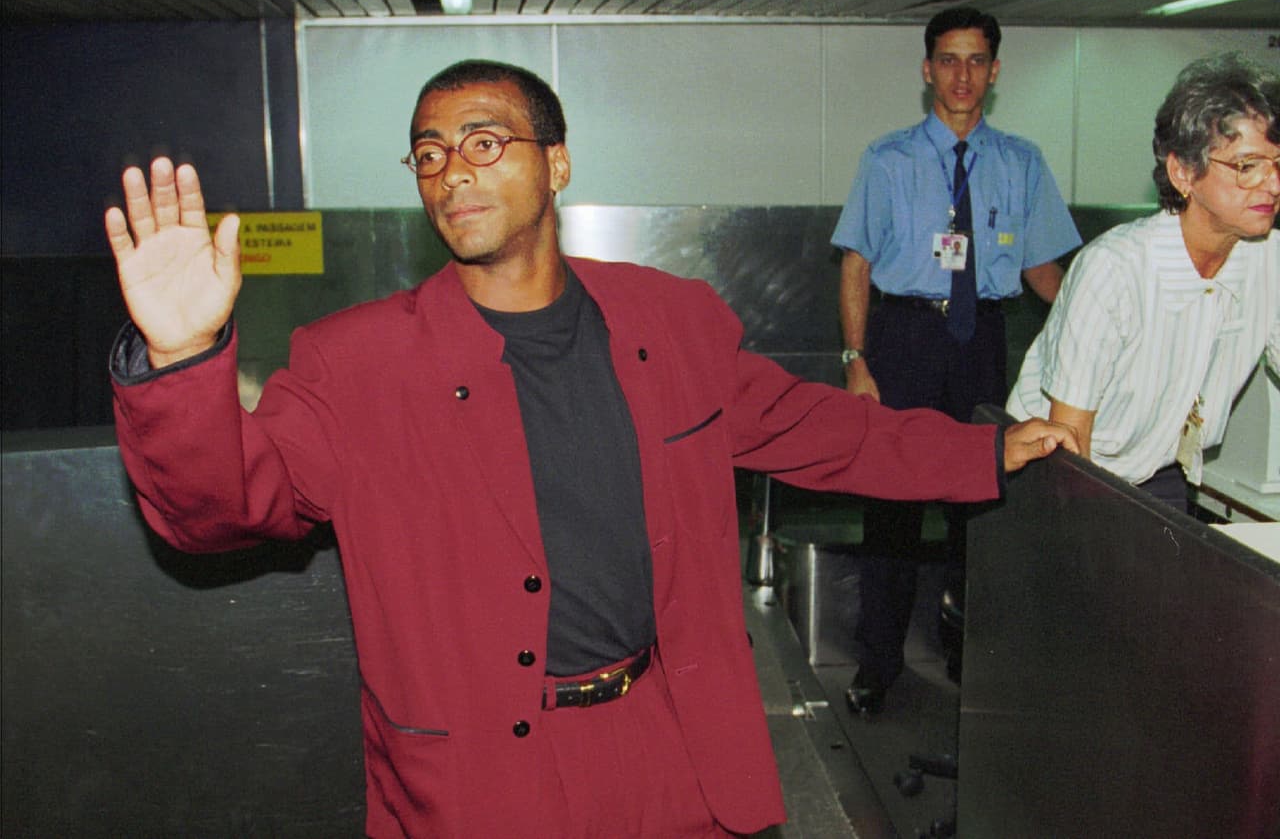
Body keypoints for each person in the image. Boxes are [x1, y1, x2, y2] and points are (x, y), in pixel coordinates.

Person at [105, 59, 1076, 837]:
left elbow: (810, 427)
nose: (453, 171)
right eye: (429, 155)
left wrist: (981, 454)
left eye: (484, 142)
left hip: (668, 742)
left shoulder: (670, 322)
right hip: (482, 771)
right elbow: (219, 509)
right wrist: (181, 358)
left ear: (556, 163)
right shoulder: (355, 363)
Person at [829, 7, 1081, 715]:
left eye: (976, 61)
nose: (962, 74)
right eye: (948, 59)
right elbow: (856, 262)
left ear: (995, 72)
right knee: (892, 510)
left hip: (980, 344)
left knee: (981, 507)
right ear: (927, 69)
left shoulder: (1021, 162)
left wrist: (1097, 333)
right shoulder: (888, 159)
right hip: (904, 339)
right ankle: (878, 663)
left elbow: (1040, 269)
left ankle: (973, 659)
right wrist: (857, 359)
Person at [1008, 53, 1280, 509]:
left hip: (1158, 471)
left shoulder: (1269, 259)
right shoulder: (1113, 270)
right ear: (1183, 172)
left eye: (1277, 164)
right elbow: (1070, 446)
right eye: (1247, 165)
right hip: (1061, 475)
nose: (1271, 184)